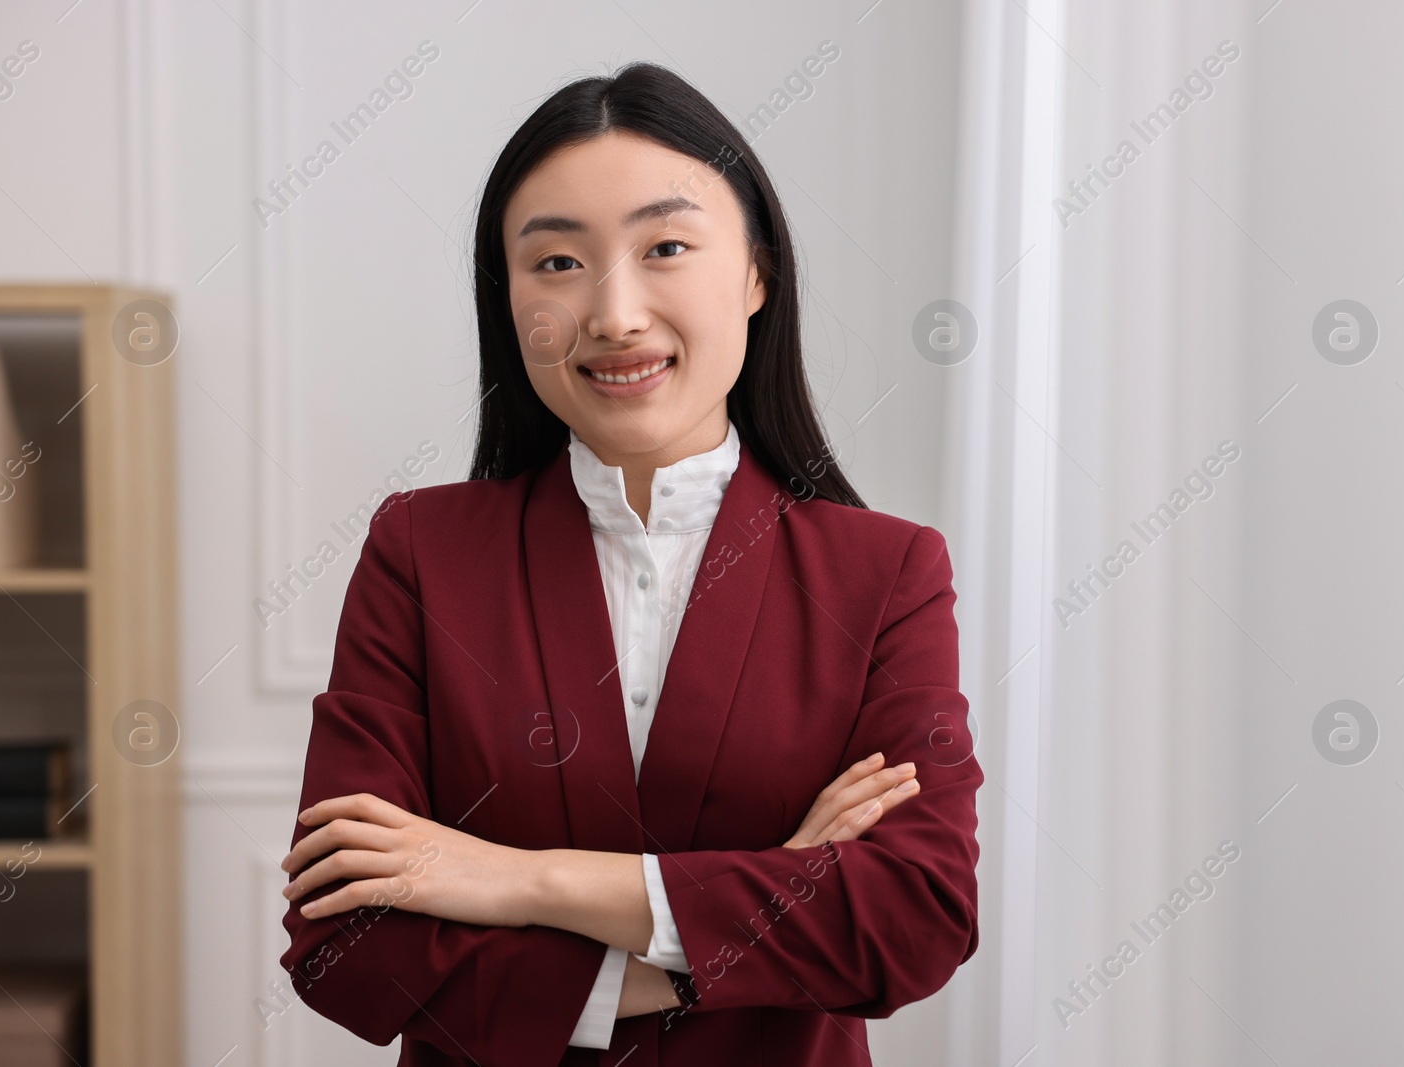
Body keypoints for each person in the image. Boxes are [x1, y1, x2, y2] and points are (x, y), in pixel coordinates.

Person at [277, 60, 982, 1066]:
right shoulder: (419, 552)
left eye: (665, 247)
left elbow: (915, 916)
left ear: (755, 273)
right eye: (556, 262)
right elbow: (342, 945)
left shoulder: (885, 574)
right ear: (508, 298)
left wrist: (514, 879)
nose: (613, 314)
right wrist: (760, 906)